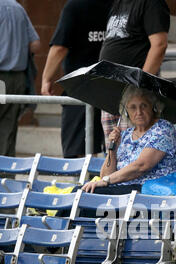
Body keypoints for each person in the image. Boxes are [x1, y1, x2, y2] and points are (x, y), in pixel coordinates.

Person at [72, 85, 176, 264]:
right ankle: (88, 263)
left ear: (154, 107)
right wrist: (112, 147)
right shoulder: (127, 133)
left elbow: (141, 167)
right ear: (126, 111)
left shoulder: (163, 128)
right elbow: (106, 173)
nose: (138, 112)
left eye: (143, 106)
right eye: (133, 107)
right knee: (79, 195)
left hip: (149, 191)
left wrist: (105, 182)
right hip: (124, 190)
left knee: (85, 196)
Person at [41, 0, 111, 157]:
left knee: (77, 150)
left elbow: (59, 47)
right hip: (109, 86)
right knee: (94, 149)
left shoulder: (75, 6)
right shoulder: (115, 5)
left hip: (79, 86)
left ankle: (83, 181)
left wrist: (46, 78)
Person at [99, 0, 170, 149]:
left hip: (134, 93)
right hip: (109, 92)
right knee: (113, 152)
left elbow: (159, 45)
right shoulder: (118, 3)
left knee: (133, 150)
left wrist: (140, 87)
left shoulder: (151, 3)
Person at [0, 0, 40, 157]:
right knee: (8, 129)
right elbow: (35, 44)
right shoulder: (18, 9)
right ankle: (5, 176)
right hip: (18, 79)